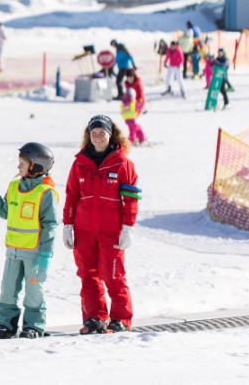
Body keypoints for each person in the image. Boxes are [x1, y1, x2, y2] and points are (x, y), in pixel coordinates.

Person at [63, 115, 140, 334]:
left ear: (110, 134)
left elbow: (131, 200)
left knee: (113, 276)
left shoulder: (123, 163)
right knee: (88, 275)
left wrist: (128, 227)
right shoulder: (79, 163)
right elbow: (71, 196)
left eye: (102, 133)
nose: (97, 137)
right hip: (84, 231)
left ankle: (121, 319)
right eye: (93, 133)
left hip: (111, 232)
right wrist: (68, 225)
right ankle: (94, 318)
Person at [0, 143, 58, 339]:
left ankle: (33, 326)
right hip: (13, 251)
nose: (18, 167)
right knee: (7, 290)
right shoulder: (15, 186)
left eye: (22, 163)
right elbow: (4, 212)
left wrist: (46, 255)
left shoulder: (45, 192)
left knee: (33, 292)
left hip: (34, 253)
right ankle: (5, 325)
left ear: (36, 165)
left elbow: (50, 225)